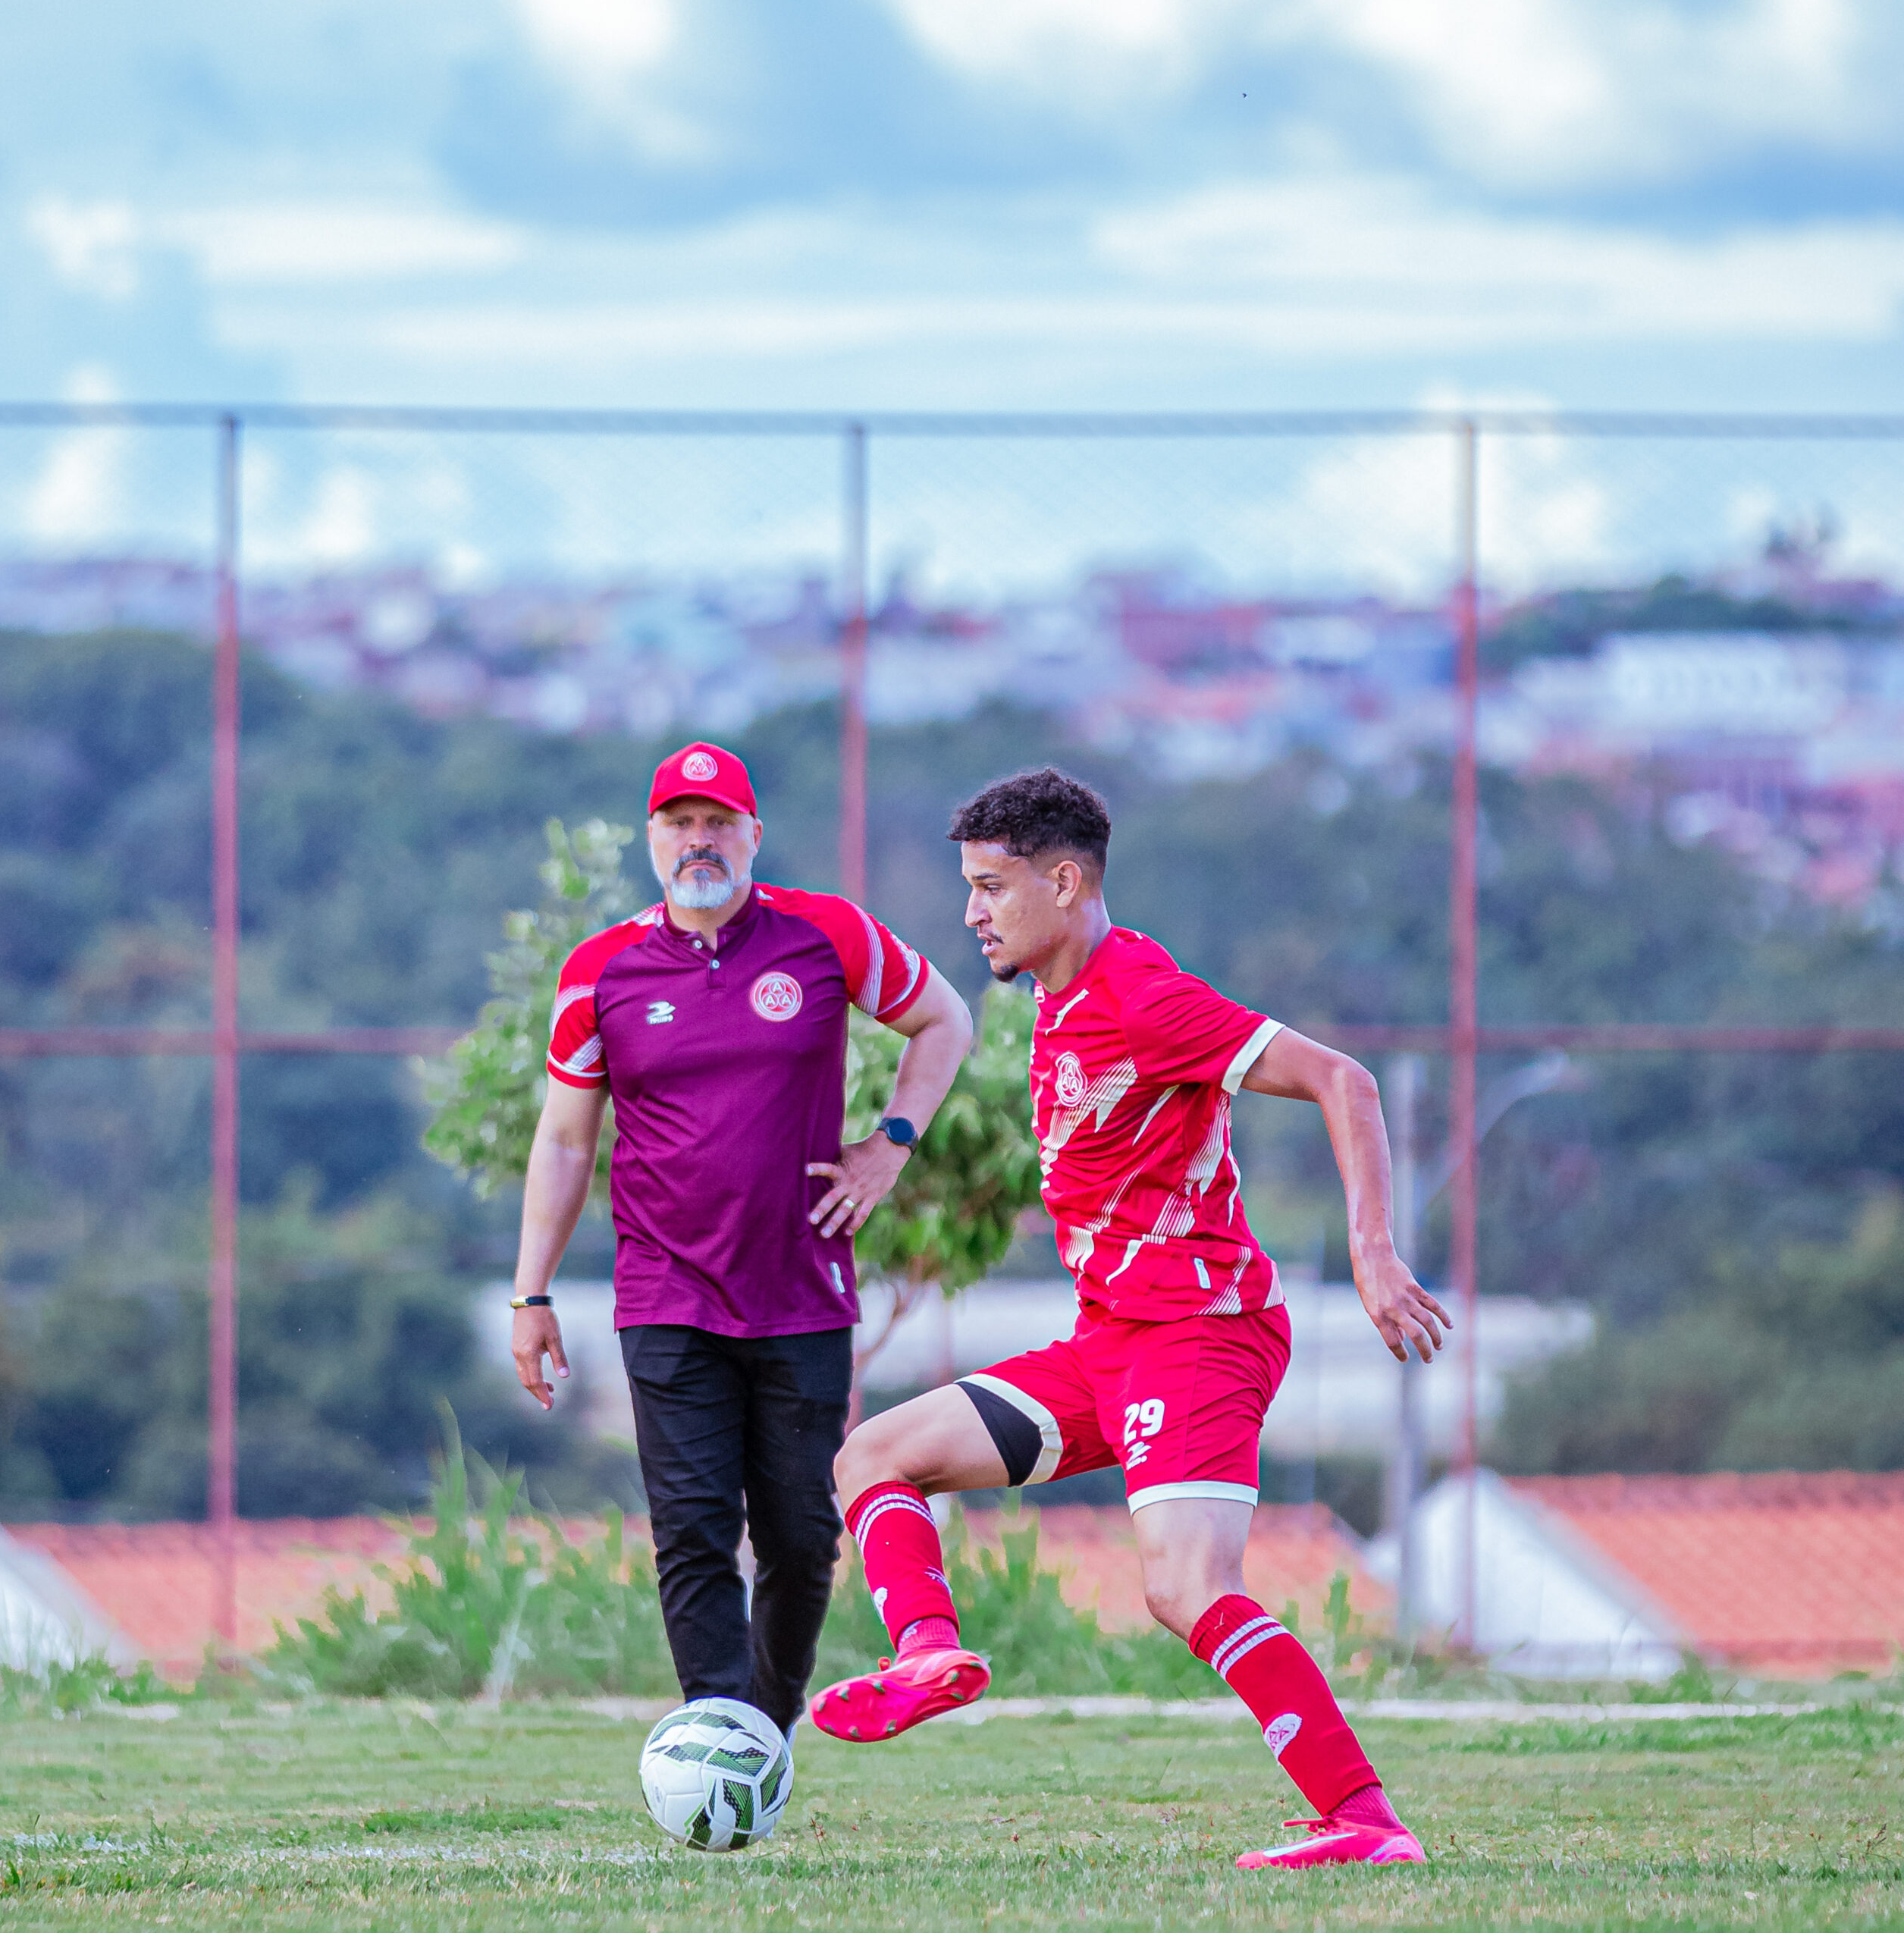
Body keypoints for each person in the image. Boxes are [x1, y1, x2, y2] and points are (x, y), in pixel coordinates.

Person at [810, 766, 1448, 1870]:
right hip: (1110, 1340)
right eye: (970, 889)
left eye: (991, 887)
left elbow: (1344, 1080)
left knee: (1186, 1588)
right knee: (874, 1457)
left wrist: (1373, 1251)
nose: (972, 913)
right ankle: (926, 1656)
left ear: (1063, 884)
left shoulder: (1143, 996)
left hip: (1202, 1335)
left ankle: (1365, 1820)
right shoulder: (1058, 1002)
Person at [509, 741, 973, 1743]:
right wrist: (531, 1293)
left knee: (803, 1540)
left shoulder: (827, 935)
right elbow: (565, 1140)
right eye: (679, 824)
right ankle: (721, 1738)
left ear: (753, 834)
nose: (699, 840)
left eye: (718, 823)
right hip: (665, 1297)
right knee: (693, 1532)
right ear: (652, 841)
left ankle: (767, 1727)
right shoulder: (599, 971)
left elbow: (946, 1019)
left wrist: (890, 1144)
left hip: (803, 1293)